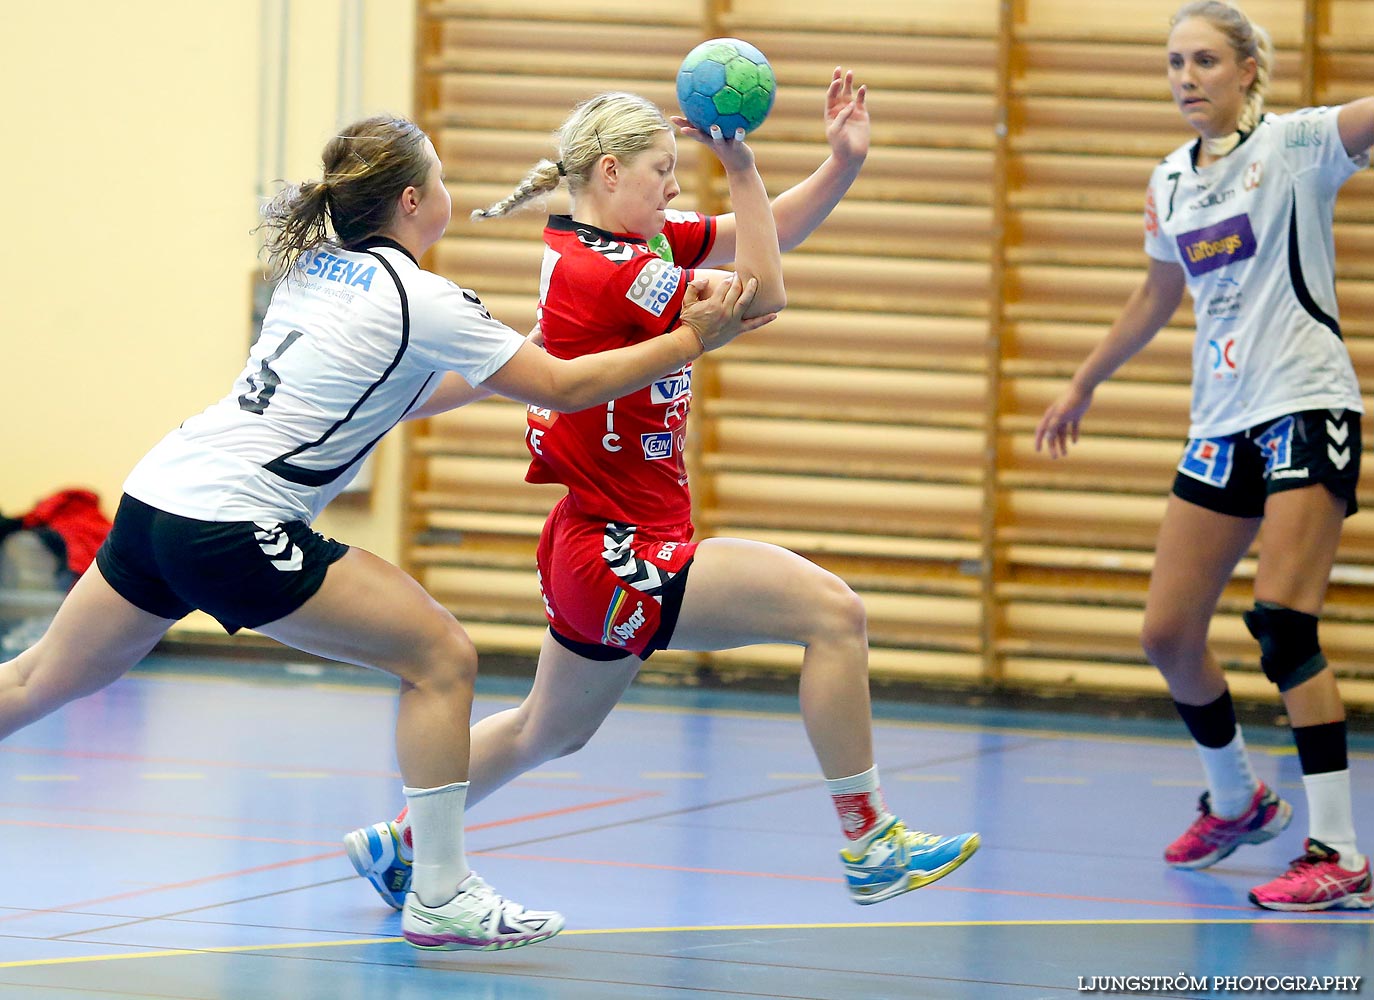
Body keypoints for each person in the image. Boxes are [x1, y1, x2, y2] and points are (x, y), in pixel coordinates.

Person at [0, 114, 775, 952]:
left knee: (36, 680)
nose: (449, 192)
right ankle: (440, 894)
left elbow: (409, 388)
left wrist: (520, 350)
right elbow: (563, 389)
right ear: (414, 201)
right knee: (441, 657)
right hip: (231, 523)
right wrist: (695, 339)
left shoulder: (316, 270)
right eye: (439, 179)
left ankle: (434, 883)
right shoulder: (423, 297)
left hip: (159, 497)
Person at [345, 71, 980, 915]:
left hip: (592, 541)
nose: (677, 186)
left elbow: (758, 239)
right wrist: (742, 165)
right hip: (625, 550)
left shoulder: (607, 242)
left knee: (550, 728)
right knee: (833, 615)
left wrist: (842, 166)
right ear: (610, 173)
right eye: (662, 170)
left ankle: (404, 844)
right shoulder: (614, 274)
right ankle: (870, 841)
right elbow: (769, 291)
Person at [1035, 1, 1374, 911]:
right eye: (1175, 62)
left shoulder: (1300, 145)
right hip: (1220, 423)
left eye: (1207, 61)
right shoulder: (1172, 182)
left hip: (1303, 404)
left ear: (1249, 69)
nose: (1186, 77)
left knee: (1284, 625)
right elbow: (1156, 296)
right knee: (1166, 632)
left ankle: (1338, 851)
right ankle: (1238, 801)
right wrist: (1083, 381)